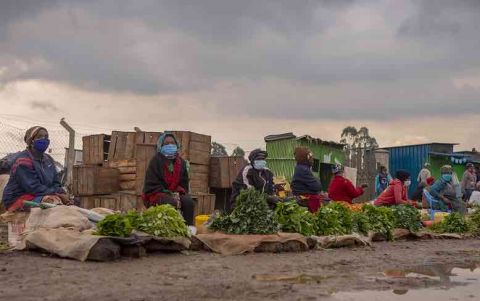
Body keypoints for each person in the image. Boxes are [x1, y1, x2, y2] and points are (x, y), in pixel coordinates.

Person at [2, 126, 70, 212]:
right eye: (39, 137)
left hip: (41, 194)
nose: (44, 139)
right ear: (31, 141)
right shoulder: (23, 161)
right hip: (18, 198)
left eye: (46, 137)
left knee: (67, 204)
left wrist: (61, 192)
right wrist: (57, 193)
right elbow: (33, 187)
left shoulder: (48, 159)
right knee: (51, 201)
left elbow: (56, 182)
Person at [142, 132, 194, 225]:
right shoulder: (156, 161)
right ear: (161, 146)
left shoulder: (181, 163)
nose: (170, 145)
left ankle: (188, 228)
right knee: (170, 202)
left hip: (175, 192)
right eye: (166, 144)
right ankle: (170, 228)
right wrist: (167, 193)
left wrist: (178, 192)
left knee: (188, 202)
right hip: (157, 193)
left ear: (176, 145)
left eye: (172, 143)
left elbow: (183, 183)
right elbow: (151, 184)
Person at [291, 147, 324, 213]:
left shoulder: (301, 167)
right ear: (305, 158)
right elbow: (317, 187)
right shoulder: (303, 169)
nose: (312, 160)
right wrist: (317, 180)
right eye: (310, 157)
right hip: (305, 198)